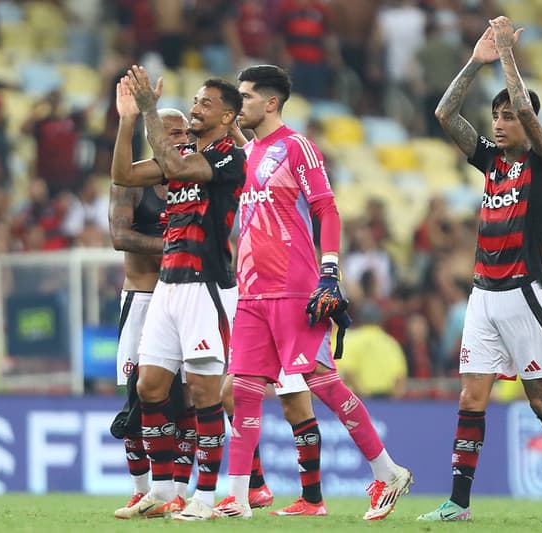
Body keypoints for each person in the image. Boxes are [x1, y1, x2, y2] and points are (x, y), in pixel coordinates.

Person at [213, 64, 412, 521]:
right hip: (252, 291)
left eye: (243, 97)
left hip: (294, 287)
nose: (236, 104)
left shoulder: (296, 147)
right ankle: (239, 497)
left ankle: (388, 470)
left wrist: (330, 273)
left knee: (322, 382)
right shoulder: (251, 153)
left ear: (270, 103)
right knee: (242, 389)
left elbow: (328, 209)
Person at [417, 17, 542, 523]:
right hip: (482, 295)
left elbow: (523, 104)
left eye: (508, 116)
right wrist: (477, 61)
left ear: (530, 124)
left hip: (522, 293)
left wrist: (507, 54)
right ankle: (458, 502)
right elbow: (445, 112)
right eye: (495, 115)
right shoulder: (493, 161)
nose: (499, 122)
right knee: (472, 395)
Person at [111, 66, 245, 520]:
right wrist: (129, 120)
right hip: (167, 287)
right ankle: (164, 490)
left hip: (206, 285)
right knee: (149, 386)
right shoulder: (182, 149)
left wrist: (151, 107)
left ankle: (205, 499)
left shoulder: (230, 157)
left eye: (206, 103)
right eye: (195, 100)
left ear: (228, 116)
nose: (195, 107)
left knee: (204, 393)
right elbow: (125, 176)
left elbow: (177, 167)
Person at [110, 108, 199, 519]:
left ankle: (178, 491)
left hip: (184, 297)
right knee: (138, 396)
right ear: (152, 135)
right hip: (143, 298)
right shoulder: (132, 178)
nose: (182, 137)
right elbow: (120, 235)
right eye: (172, 131)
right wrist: (174, 245)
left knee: (187, 400)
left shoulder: (195, 177)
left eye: (186, 131)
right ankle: (141, 489)